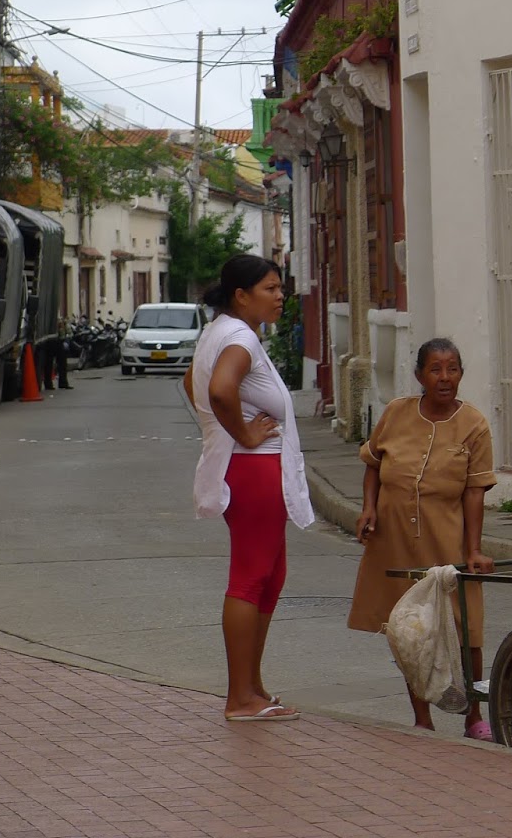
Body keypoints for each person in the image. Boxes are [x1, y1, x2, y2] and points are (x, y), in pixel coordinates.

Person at [186, 255, 314, 722]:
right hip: (253, 468)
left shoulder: (222, 331)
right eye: (270, 288)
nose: (280, 296)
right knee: (251, 576)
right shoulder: (239, 338)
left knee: (270, 575)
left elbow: (192, 381)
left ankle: (252, 687)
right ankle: (240, 698)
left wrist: (218, 430)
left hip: (252, 467)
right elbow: (219, 390)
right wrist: (240, 433)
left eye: (280, 288)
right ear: (241, 296)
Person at [347, 339, 498, 736]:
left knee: (466, 628)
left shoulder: (474, 424)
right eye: (435, 369)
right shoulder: (396, 413)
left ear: (461, 374)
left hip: (447, 538)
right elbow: (374, 464)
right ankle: (422, 719)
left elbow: (475, 492)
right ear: (419, 375)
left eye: (452, 369)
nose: (444, 377)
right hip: (395, 539)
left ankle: (474, 716)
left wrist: (474, 549)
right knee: (409, 631)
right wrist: (368, 508)